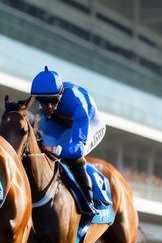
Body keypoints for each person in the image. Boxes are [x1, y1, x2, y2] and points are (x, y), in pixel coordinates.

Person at [30, 67, 106, 216]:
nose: (48, 106)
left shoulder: (77, 103)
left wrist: (56, 150)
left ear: (60, 94)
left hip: (90, 125)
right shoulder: (46, 100)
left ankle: (87, 200)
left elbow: (77, 148)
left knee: (72, 156)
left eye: (52, 101)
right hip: (63, 122)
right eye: (43, 102)